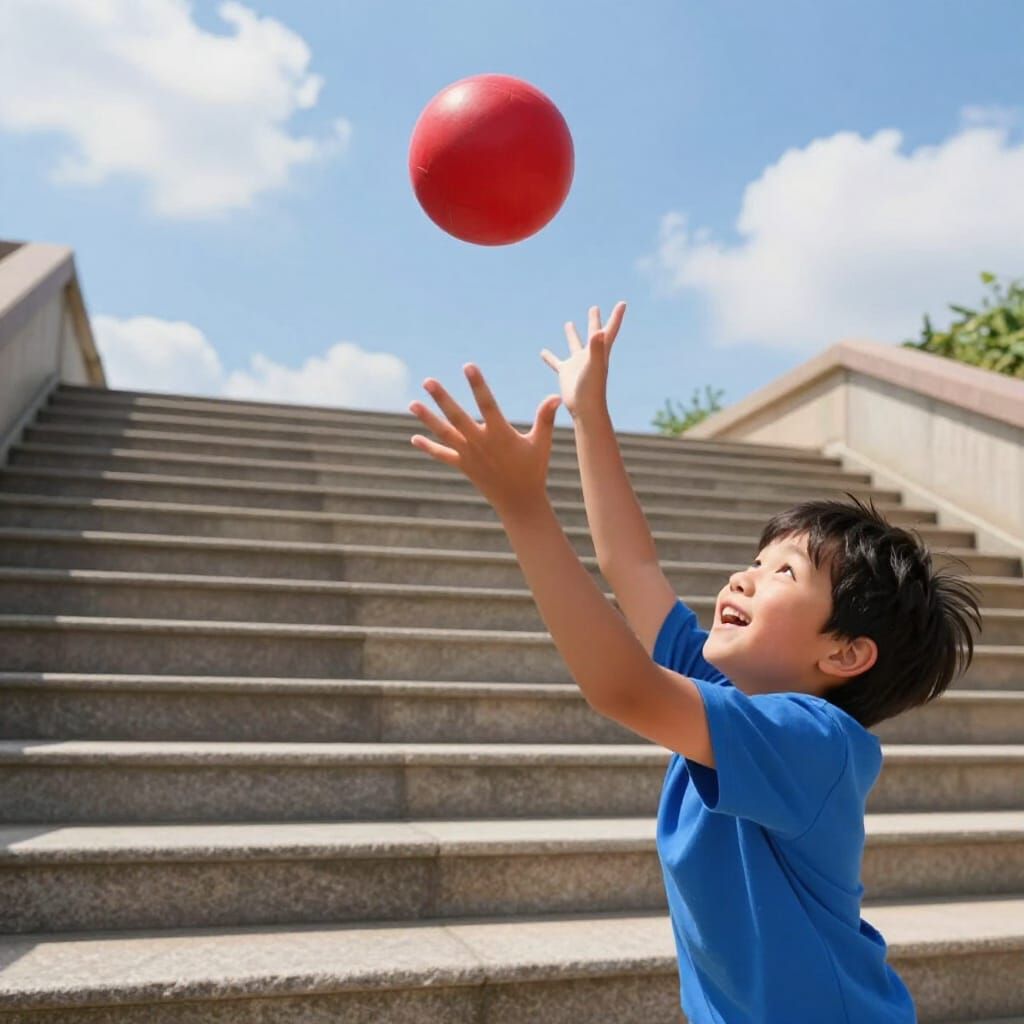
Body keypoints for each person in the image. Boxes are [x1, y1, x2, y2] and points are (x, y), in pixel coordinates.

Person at [408, 301, 982, 1023]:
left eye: (783, 575)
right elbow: (632, 564)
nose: (741, 578)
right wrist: (590, 412)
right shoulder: (723, 694)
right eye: (753, 560)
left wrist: (524, 509)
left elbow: (622, 687)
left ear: (845, 652)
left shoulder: (813, 741)